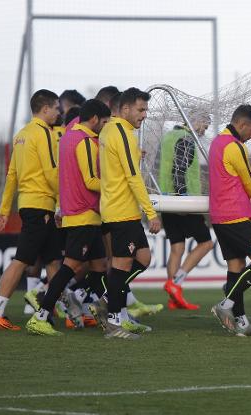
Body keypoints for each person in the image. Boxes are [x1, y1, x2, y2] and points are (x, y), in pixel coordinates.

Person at [25, 100, 111, 335]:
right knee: (70, 267)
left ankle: (100, 309)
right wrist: (117, 185)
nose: (104, 127)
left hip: (82, 214)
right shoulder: (85, 142)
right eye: (104, 122)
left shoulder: (69, 137)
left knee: (99, 266)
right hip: (83, 214)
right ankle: (41, 314)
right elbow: (91, 181)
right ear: (94, 119)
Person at [0, 89, 63, 330]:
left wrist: (5, 209)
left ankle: (50, 310)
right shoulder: (45, 134)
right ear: (46, 109)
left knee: (53, 261)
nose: (59, 112)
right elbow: (52, 172)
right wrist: (63, 202)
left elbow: (12, 176)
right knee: (22, 260)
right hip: (41, 206)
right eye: (57, 108)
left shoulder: (21, 135)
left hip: (29, 204)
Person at [97, 87, 162, 339]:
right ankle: (115, 322)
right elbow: (133, 177)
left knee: (143, 258)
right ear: (125, 109)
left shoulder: (111, 130)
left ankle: (114, 305)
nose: (144, 115)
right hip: (122, 210)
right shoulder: (121, 132)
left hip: (121, 209)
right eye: (140, 109)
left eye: (146, 109)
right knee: (122, 265)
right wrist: (151, 213)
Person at [209, 104, 251, 336]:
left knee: (236, 267)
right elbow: (248, 181)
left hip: (219, 216)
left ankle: (242, 323)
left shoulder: (217, 142)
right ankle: (225, 305)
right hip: (234, 215)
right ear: (242, 124)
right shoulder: (234, 147)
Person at [159, 112, 214, 310]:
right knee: (206, 243)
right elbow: (179, 170)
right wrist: (182, 199)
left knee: (177, 248)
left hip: (166, 199)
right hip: (184, 202)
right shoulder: (185, 139)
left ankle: (173, 298)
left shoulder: (167, 137)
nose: (203, 131)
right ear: (195, 120)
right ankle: (176, 283)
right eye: (204, 126)